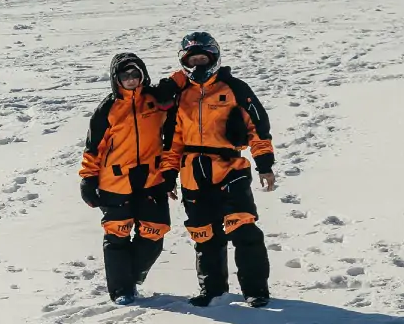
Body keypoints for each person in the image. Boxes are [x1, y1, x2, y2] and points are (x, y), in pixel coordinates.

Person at [155, 31, 277, 308]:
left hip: (230, 167)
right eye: (192, 59)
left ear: (213, 59)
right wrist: (169, 174)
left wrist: (265, 165)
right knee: (203, 233)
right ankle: (213, 289)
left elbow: (258, 129)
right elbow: (172, 139)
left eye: (203, 59)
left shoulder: (234, 88)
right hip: (192, 173)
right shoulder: (179, 94)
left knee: (243, 229)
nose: (198, 64)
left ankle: (255, 290)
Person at [79, 54, 174, 304]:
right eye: (125, 76)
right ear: (116, 79)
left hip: (152, 179)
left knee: (155, 232)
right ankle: (122, 290)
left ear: (143, 75)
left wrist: (169, 90)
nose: (131, 80)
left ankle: (132, 276)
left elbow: (183, 88)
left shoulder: (156, 101)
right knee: (117, 235)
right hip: (115, 181)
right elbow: (93, 148)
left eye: (135, 75)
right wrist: (88, 179)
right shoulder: (107, 109)